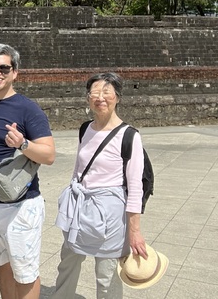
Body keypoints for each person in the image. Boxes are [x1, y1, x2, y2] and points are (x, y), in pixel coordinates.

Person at [0, 43, 56, 299]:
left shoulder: (27, 108)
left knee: (25, 271)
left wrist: (23, 144)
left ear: (15, 72)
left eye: (3, 67)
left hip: (21, 205)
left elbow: (49, 155)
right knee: (2, 265)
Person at [51, 72, 148, 299]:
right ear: (87, 98)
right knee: (68, 263)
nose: (100, 98)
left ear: (118, 97)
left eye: (107, 92)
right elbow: (78, 168)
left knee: (106, 274)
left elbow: (135, 187)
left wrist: (134, 232)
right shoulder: (85, 128)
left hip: (110, 213)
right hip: (80, 207)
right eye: (94, 93)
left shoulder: (129, 135)